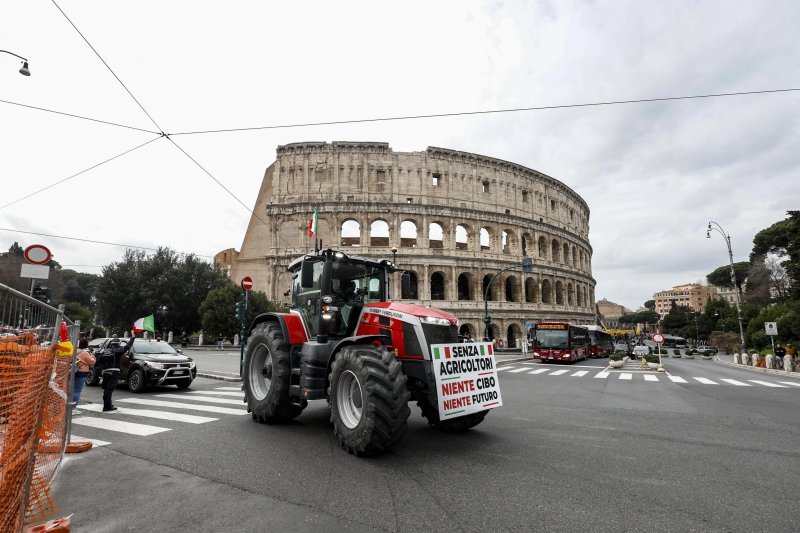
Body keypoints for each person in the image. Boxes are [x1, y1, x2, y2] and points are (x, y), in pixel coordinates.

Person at [101, 333, 135, 412]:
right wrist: (132, 338)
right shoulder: (117, 350)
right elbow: (127, 346)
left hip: (105, 372)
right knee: (109, 390)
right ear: (118, 344)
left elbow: (99, 361)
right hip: (113, 372)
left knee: (106, 390)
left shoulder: (105, 351)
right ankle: (107, 406)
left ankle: (107, 404)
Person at [72, 338, 96, 415]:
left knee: (71, 390)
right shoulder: (85, 353)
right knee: (77, 390)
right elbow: (91, 362)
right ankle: (73, 408)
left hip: (73, 371)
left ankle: (67, 406)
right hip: (82, 372)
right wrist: (93, 355)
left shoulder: (73, 350)